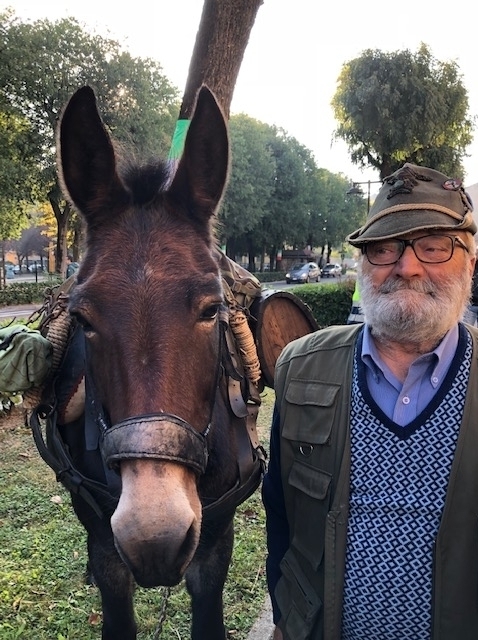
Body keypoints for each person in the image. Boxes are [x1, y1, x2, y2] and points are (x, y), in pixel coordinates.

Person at [262, 163, 478, 640]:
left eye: (434, 245)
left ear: (470, 262)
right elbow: (280, 509)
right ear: (364, 265)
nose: (406, 266)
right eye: (383, 249)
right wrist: (285, 618)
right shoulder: (300, 369)